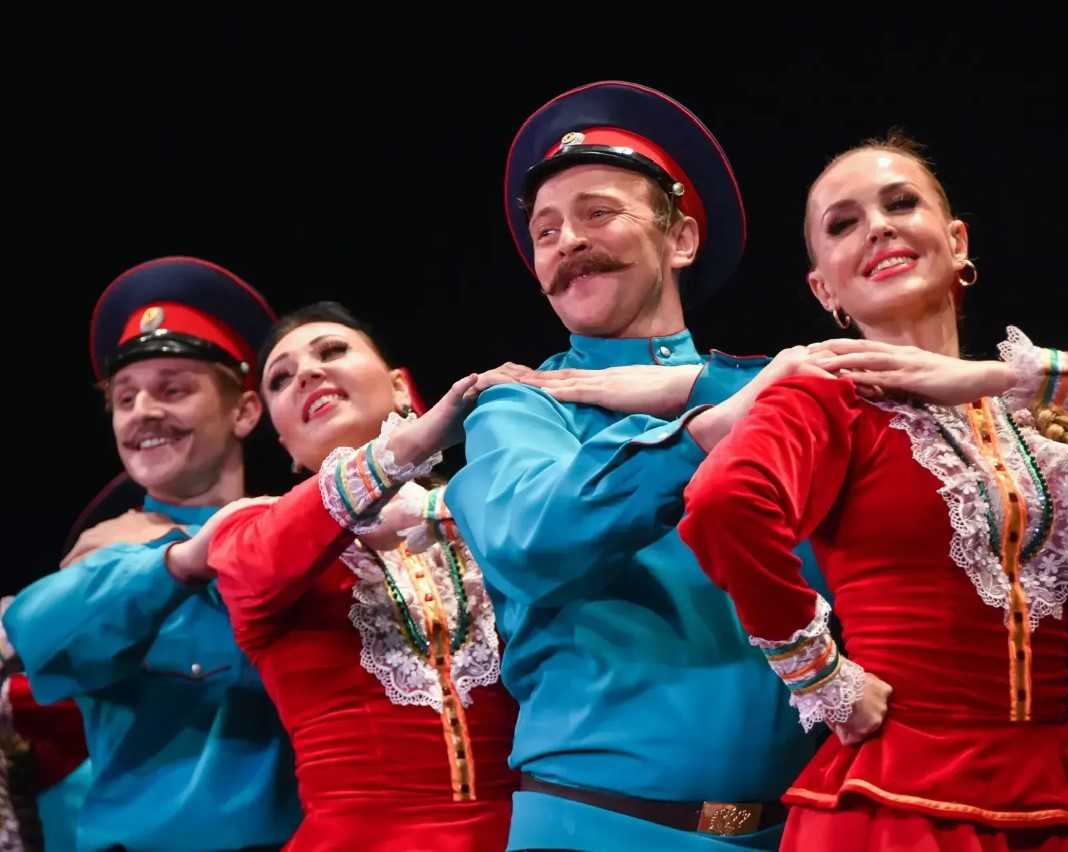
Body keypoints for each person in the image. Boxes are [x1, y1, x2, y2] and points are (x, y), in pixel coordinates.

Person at [675, 133, 1068, 850]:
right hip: (899, 805)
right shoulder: (830, 400)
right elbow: (724, 504)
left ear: (956, 243)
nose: (878, 227)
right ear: (825, 291)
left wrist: (999, 376)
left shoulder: (1041, 419)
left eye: (900, 203)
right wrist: (821, 677)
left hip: (1052, 797)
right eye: (843, 223)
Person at [445, 81, 839, 851]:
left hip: (794, 834)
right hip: (595, 829)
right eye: (546, 231)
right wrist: (701, 434)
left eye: (597, 213)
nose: (567, 241)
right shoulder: (520, 408)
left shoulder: (767, 393)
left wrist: (708, 392)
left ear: (681, 239)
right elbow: (534, 541)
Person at [1, 256, 301, 851]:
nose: (143, 412)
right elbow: (35, 635)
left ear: (245, 411)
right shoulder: (105, 554)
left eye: (173, 390)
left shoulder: (297, 530)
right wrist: (174, 563)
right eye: (125, 398)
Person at [206, 301, 519, 851]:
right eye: (281, 379)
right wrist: (412, 443)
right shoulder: (247, 531)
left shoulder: (487, 511)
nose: (307, 373)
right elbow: (256, 567)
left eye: (332, 351)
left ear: (400, 387)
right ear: (284, 443)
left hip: (525, 832)